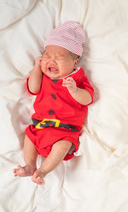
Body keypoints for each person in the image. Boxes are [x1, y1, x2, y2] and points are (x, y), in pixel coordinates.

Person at [13, 21, 94, 185]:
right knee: (29, 137)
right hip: (40, 127)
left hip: (64, 131)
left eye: (59, 58)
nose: (52, 61)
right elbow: (33, 88)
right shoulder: (43, 77)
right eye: (47, 56)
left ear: (74, 63)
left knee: (63, 146)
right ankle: (30, 165)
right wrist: (37, 67)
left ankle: (43, 170)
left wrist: (75, 91)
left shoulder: (77, 79)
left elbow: (88, 98)